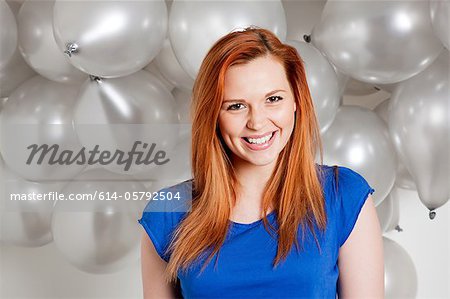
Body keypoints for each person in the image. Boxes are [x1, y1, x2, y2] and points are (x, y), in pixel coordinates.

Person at [138, 27, 384, 298]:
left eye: (273, 99)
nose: (257, 122)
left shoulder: (343, 196)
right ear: (213, 115)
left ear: (296, 102)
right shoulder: (167, 213)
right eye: (236, 106)